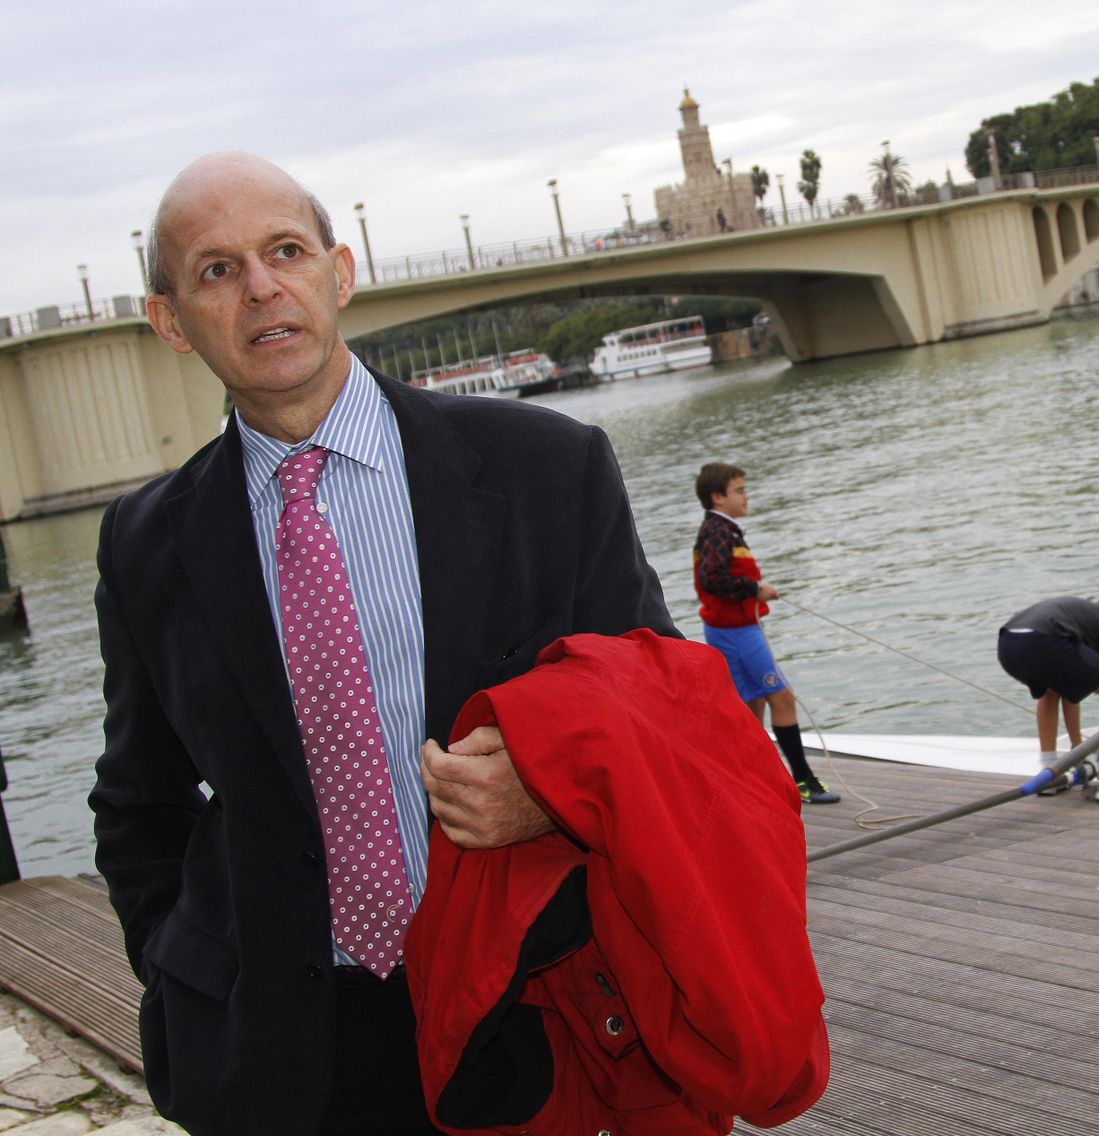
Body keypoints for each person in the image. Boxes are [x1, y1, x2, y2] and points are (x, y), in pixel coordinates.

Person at [87, 152, 676, 1136]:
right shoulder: (145, 542)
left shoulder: (545, 468)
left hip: (529, 1014)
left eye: (285, 250)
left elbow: (667, 708)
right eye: (217, 269)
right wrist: (173, 964)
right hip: (282, 1058)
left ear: (340, 272)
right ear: (171, 321)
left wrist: (548, 793)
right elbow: (136, 800)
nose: (261, 287)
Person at [692, 462, 838, 804]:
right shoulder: (717, 531)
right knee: (781, 697)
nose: (746, 496)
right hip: (737, 633)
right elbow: (712, 578)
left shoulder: (723, 529)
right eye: (739, 490)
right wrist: (755, 588)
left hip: (734, 629)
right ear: (717, 497)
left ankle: (752, 784)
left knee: (752, 705)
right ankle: (803, 781)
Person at [997, 587, 1099, 802]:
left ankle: (1049, 774)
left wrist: (1077, 748)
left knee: (1051, 691)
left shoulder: (1082, 619)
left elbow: (1070, 692)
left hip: (1008, 642)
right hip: (1045, 639)